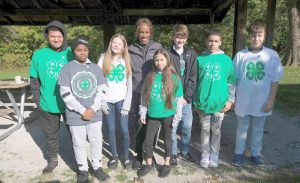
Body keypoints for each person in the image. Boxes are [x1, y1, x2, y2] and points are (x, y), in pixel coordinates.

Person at [58, 38, 110, 183]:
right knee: (78, 142)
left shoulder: (95, 68)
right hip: (75, 115)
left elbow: (102, 90)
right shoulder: (67, 69)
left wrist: (93, 108)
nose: (82, 53)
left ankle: (97, 167)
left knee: (96, 140)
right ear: (73, 51)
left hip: (95, 113)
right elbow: (65, 94)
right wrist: (82, 110)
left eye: (85, 50)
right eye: (79, 50)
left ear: (88, 50)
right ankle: (83, 170)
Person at [233, 21, 284, 166]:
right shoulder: (241, 55)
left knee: (258, 129)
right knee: (241, 128)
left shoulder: (271, 55)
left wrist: (271, 100)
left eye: (259, 35)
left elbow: (275, 80)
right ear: (249, 36)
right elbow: (233, 80)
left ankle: (256, 153)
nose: (256, 38)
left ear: (264, 36)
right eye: (254, 35)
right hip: (243, 101)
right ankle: (239, 153)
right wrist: (233, 98)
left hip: (261, 102)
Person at [29, 20, 73, 173]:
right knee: (51, 135)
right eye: (52, 36)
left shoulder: (71, 53)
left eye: (59, 36)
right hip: (47, 103)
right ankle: (52, 159)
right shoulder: (39, 55)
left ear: (64, 36)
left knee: (75, 133)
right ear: (47, 37)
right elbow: (34, 80)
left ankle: (78, 159)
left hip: (70, 104)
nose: (56, 39)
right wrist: (37, 101)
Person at [137, 49, 183, 178]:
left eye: (162, 59)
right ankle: (149, 164)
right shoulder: (150, 76)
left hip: (168, 114)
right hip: (153, 114)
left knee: (168, 141)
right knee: (148, 141)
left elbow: (179, 98)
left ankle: (167, 163)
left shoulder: (174, 77)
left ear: (167, 60)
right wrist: (143, 111)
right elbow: (144, 96)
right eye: (156, 60)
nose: (159, 62)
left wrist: (177, 117)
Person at [194, 29, 236, 168]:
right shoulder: (200, 59)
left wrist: (230, 100)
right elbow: (194, 82)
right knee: (205, 129)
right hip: (203, 103)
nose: (213, 43)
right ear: (206, 41)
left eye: (216, 41)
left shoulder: (226, 60)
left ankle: (215, 154)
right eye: (210, 40)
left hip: (220, 103)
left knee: (216, 130)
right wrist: (195, 102)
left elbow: (231, 81)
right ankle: (205, 153)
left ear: (220, 42)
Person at [128, 17, 162, 170]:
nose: (144, 35)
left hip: (154, 94)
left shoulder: (158, 47)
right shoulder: (129, 49)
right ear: (137, 32)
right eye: (141, 32)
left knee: (153, 126)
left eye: (147, 32)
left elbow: (165, 67)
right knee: (139, 125)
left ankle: (149, 153)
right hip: (136, 93)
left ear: (151, 32)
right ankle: (139, 156)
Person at [98, 34, 132, 169]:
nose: (116, 45)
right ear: (110, 43)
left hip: (122, 101)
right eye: (114, 42)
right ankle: (114, 156)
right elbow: (98, 82)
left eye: (120, 43)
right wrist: (102, 102)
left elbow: (129, 85)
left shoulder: (126, 61)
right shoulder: (102, 59)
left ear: (124, 47)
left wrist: (126, 105)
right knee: (110, 129)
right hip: (108, 101)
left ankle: (126, 156)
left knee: (124, 130)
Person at [168, 24, 198, 166]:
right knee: (173, 127)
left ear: (186, 38)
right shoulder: (167, 53)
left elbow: (193, 76)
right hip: (172, 98)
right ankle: (173, 153)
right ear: (173, 37)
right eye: (178, 37)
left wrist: (187, 96)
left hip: (186, 98)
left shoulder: (191, 53)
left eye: (183, 37)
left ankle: (184, 151)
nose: (180, 40)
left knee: (186, 126)